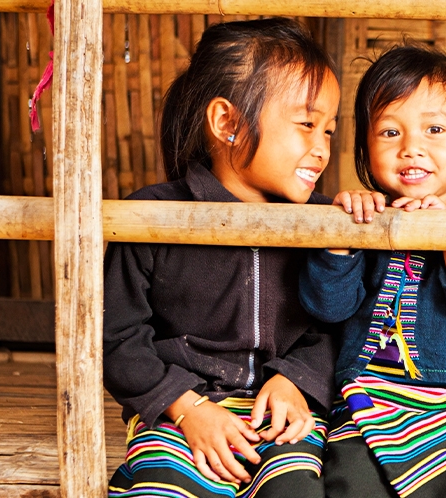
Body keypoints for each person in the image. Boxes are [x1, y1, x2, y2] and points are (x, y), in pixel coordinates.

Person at [103, 18, 344, 498]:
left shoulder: (324, 222)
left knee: (296, 487)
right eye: (306, 124)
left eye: (329, 130)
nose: (321, 148)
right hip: (178, 415)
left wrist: (296, 380)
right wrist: (186, 407)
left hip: (283, 414)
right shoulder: (150, 216)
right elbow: (116, 336)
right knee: (162, 488)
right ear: (227, 123)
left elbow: (338, 322)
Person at [298, 44, 446, 498]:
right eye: (389, 132)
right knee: (350, 483)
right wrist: (341, 236)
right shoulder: (362, 218)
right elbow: (328, 307)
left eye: (435, 129)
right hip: (363, 399)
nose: (411, 148)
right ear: (365, 146)